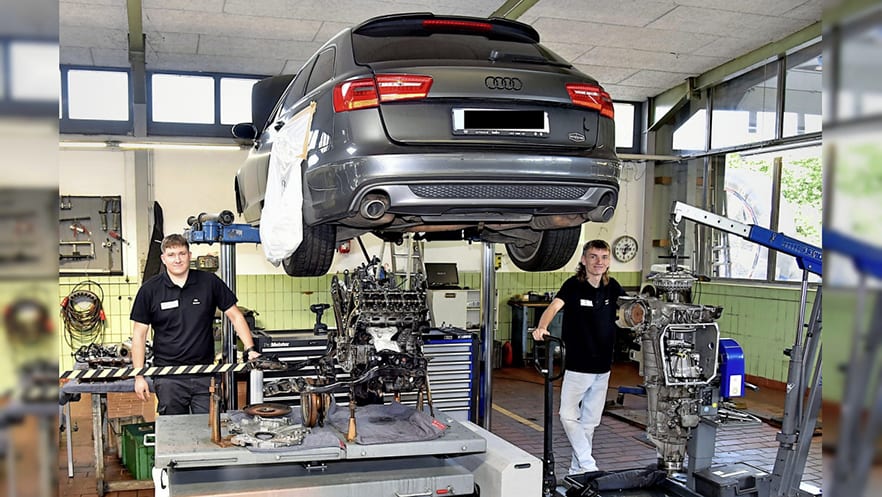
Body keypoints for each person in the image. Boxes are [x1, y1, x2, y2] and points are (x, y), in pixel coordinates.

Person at [130, 234, 261, 415]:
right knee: (174, 431)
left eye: (182, 253)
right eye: (172, 254)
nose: (177, 259)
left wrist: (250, 349)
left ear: (189, 255)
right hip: (168, 376)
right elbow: (139, 334)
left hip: (204, 373)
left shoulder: (209, 282)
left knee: (208, 429)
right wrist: (139, 376)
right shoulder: (150, 290)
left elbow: (236, 316)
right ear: (163, 258)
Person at [532, 239, 627, 474]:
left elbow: (632, 309)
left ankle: (577, 470)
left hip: (603, 365)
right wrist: (541, 327)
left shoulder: (612, 286)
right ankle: (588, 464)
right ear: (584, 260)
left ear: (608, 261)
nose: (599, 262)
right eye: (593, 257)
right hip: (577, 365)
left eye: (604, 257)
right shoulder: (573, 286)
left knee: (590, 422)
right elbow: (553, 308)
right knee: (567, 415)